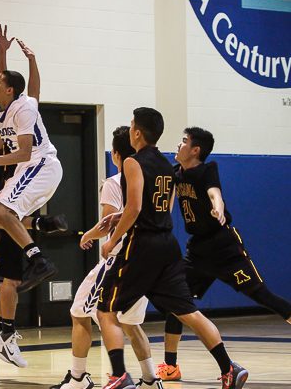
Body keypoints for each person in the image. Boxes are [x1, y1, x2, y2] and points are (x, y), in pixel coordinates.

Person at [96, 108, 248, 389]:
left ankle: (119, 375)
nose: (130, 129)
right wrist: (125, 216)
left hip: (143, 244)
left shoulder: (132, 161)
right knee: (188, 312)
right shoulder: (168, 166)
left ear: (137, 133)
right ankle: (229, 367)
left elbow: (135, 208)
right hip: (167, 244)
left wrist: (113, 239)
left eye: (132, 125)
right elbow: (161, 208)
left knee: (105, 309)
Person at [156, 127, 291, 381]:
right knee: (177, 302)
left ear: (195, 150)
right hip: (197, 251)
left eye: (184, 141)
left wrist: (218, 207)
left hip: (223, 247)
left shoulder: (207, 170)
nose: (178, 145)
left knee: (263, 296)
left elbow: (214, 192)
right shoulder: (175, 173)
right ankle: (170, 366)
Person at [0, 30, 64, 367]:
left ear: (9, 90)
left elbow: (26, 93)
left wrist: (32, 60)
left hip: (37, 166)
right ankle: (37, 227)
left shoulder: (22, 108)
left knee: (10, 272)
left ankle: (37, 259)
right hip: (16, 180)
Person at [51, 126, 159, 389]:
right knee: (130, 323)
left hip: (118, 260)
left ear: (115, 154)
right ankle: (150, 379)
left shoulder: (114, 182)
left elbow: (108, 223)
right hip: (147, 260)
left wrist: (87, 235)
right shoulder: (148, 179)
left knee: (79, 311)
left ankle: (78, 378)